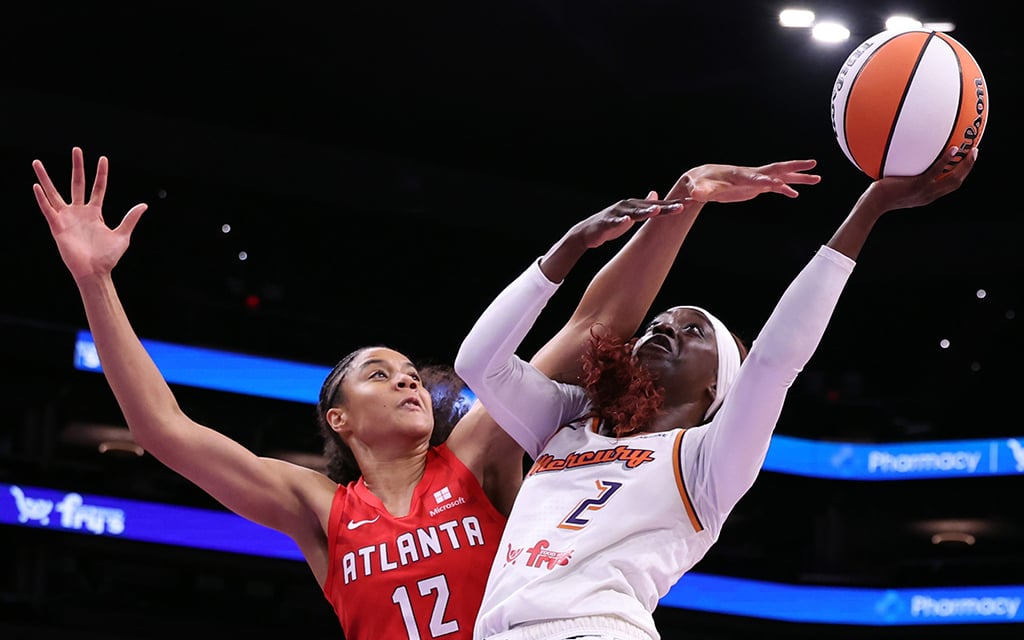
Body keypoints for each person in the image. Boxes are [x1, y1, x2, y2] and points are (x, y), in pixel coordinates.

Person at [31, 146, 819, 639]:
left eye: (410, 369)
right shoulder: (318, 509)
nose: (407, 377)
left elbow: (591, 325)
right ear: (338, 418)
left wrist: (676, 208)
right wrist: (96, 283)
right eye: (380, 373)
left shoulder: (475, 455)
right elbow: (164, 428)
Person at [455, 146, 979, 640]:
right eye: (658, 323)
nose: (665, 329)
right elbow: (478, 363)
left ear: (718, 383)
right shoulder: (568, 421)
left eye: (693, 331)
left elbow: (776, 360)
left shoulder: (708, 461)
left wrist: (871, 207)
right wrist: (570, 246)